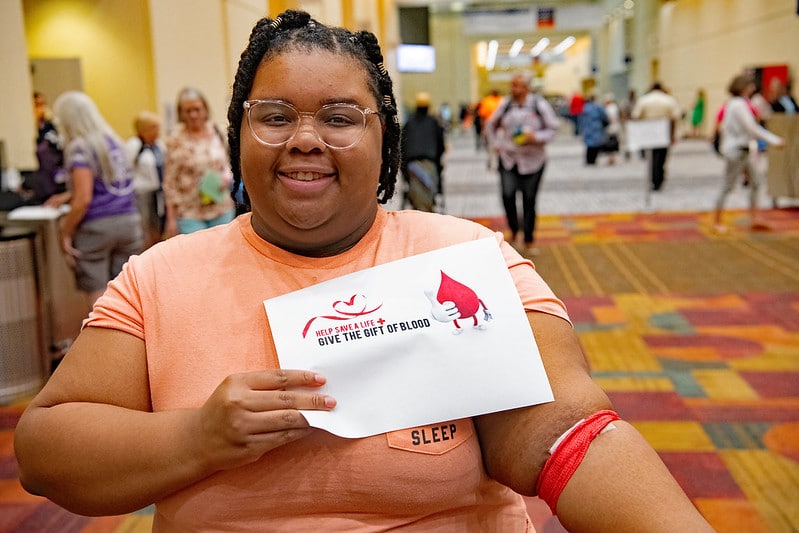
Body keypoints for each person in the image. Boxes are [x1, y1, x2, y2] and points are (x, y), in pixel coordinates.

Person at [14, 11, 714, 532]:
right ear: (237, 135)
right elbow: (46, 450)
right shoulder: (160, 277)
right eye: (274, 116)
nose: (305, 139)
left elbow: (564, 434)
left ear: (384, 140)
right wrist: (199, 437)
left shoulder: (464, 258)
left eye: (341, 118)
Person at [49, 91, 143, 307]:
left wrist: (65, 232)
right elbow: (111, 183)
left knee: (99, 300)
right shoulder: (115, 142)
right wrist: (68, 195)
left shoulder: (80, 147)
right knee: (124, 295)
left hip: (97, 228)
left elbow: (84, 198)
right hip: (129, 223)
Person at [485, 72, 559, 255]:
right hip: (509, 159)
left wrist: (536, 137)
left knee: (529, 199)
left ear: (527, 87)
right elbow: (489, 124)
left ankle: (528, 238)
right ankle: (514, 229)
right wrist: (495, 144)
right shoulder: (505, 104)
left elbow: (553, 128)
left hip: (533, 161)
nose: (514, 89)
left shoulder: (538, 105)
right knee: (507, 195)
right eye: (512, 85)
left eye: (517, 85)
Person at [714, 74, 784, 234]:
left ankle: (754, 217)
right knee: (727, 186)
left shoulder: (736, 104)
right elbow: (751, 127)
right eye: (750, 85)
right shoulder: (738, 105)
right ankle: (717, 221)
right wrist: (775, 140)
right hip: (736, 151)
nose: (753, 88)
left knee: (757, 182)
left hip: (742, 150)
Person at [163, 87, 235, 236]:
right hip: (189, 212)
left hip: (221, 206)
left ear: (205, 109)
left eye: (197, 109)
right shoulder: (175, 140)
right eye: (188, 111)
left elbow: (227, 162)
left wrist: (227, 175)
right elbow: (170, 183)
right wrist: (171, 219)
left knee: (222, 248)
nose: (193, 115)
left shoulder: (218, 131)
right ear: (181, 113)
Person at [126, 111, 166, 249]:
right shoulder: (133, 145)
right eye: (154, 128)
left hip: (158, 193)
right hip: (142, 195)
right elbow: (127, 170)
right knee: (144, 229)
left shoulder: (159, 145)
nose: (157, 131)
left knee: (159, 226)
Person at [631, 82, 682, 191]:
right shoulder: (668, 100)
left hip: (648, 131)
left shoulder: (644, 100)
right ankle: (659, 178)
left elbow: (636, 116)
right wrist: (673, 134)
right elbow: (674, 118)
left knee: (651, 156)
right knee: (661, 156)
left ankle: (653, 178)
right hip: (664, 130)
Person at [401, 91, 446, 211]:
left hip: (412, 166)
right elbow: (441, 145)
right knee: (428, 195)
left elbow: (402, 146)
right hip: (429, 164)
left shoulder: (409, 124)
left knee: (417, 198)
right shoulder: (434, 123)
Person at [25, 91, 66, 204]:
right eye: (37, 105)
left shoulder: (51, 129)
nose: (41, 109)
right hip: (40, 182)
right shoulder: (30, 129)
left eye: (42, 104)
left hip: (55, 182)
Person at [578, 93, 608, 166]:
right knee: (596, 145)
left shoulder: (584, 108)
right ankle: (593, 160)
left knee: (589, 145)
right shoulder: (597, 107)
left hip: (587, 128)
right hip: (596, 127)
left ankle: (589, 160)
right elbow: (604, 116)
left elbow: (581, 119)